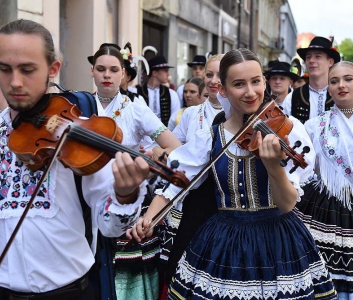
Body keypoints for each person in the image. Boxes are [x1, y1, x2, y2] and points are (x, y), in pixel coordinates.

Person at [129, 48, 337, 300]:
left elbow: (287, 203)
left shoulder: (290, 131)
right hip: (225, 238)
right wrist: (149, 219)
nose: (250, 92)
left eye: (256, 81)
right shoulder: (211, 136)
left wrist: (274, 168)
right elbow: (176, 182)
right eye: (239, 84)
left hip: (277, 240)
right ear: (224, 90)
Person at [0, 19, 153, 300]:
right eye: (5, 69)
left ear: (53, 69)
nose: (15, 81)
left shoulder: (81, 133)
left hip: (69, 293)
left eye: (28, 70)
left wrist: (125, 194)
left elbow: (110, 226)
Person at [90, 43, 183, 300]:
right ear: (92, 72)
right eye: (100, 69)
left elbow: (173, 147)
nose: (106, 75)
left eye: (113, 69)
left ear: (123, 73)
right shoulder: (81, 106)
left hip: (126, 198)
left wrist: (151, 163)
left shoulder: (136, 108)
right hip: (87, 201)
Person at [294, 61, 353, 299]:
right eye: (334, 81)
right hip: (322, 212)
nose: (341, 85)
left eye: (348, 79)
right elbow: (300, 170)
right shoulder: (313, 126)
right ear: (328, 88)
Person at [282, 36, 341, 123]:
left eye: (318, 56)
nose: (311, 60)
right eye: (308, 57)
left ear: (330, 62)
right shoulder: (292, 97)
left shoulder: (340, 94)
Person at [172, 54, 225, 144]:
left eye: (219, 76)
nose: (213, 81)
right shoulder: (191, 113)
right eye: (209, 75)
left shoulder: (239, 114)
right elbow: (173, 144)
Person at [136, 56, 180, 127]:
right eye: (166, 71)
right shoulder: (136, 92)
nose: (168, 74)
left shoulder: (171, 94)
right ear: (155, 73)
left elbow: (175, 119)